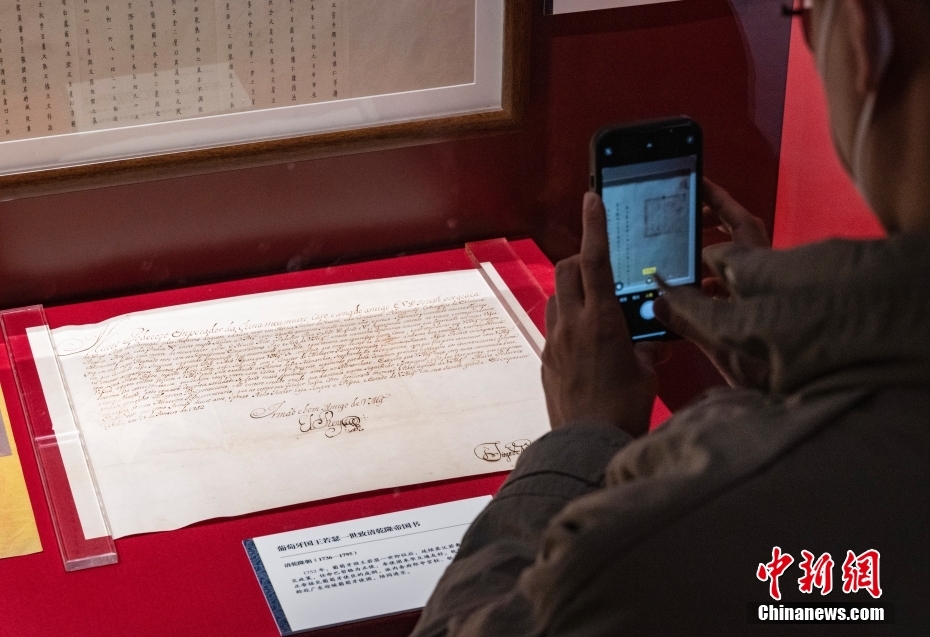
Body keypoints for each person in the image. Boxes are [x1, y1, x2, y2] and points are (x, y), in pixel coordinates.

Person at [411, 0, 930, 633]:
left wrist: (583, 436)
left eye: (803, 11)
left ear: (863, 33)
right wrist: (791, 379)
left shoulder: (682, 522)